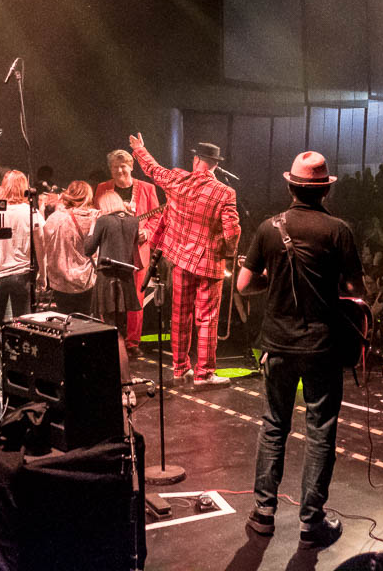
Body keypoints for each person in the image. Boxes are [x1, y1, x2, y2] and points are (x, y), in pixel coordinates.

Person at [236, 151, 363, 548]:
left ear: (290, 186)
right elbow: (356, 291)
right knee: (320, 431)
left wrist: (272, 282)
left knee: (274, 426)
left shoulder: (268, 228)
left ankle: (263, 514)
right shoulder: (339, 231)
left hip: (277, 344)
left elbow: (243, 285)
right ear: (325, 190)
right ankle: (311, 522)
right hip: (323, 346)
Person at [129, 133, 239, 387]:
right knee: (207, 318)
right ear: (215, 165)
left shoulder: (177, 179)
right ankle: (204, 374)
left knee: (180, 315)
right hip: (209, 263)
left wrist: (140, 149)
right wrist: (227, 251)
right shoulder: (225, 193)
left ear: (196, 160)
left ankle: (180, 369)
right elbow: (232, 232)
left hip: (180, 260)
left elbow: (153, 169)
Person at [95, 149, 160, 356]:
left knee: (136, 298)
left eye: (123, 166)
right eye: (115, 167)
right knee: (109, 297)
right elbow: (97, 216)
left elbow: (157, 217)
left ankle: (132, 342)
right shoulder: (103, 188)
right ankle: (109, 337)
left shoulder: (147, 188)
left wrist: (147, 233)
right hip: (111, 251)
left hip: (137, 252)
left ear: (131, 166)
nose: (119, 170)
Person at [84, 190, 143, 376]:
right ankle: (123, 376)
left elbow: (88, 249)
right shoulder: (134, 221)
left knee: (110, 329)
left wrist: (92, 225)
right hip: (125, 280)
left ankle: (118, 377)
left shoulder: (104, 221)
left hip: (107, 279)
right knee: (120, 331)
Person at [35, 180, 97, 315]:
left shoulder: (56, 218)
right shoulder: (94, 218)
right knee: (85, 320)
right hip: (86, 280)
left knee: (65, 320)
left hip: (61, 281)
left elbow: (45, 242)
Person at [0, 170, 39, 325]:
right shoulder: (30, 212)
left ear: (4, 186)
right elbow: (42, 243)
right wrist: (43, 274)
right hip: (22, 273)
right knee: (23, 323)